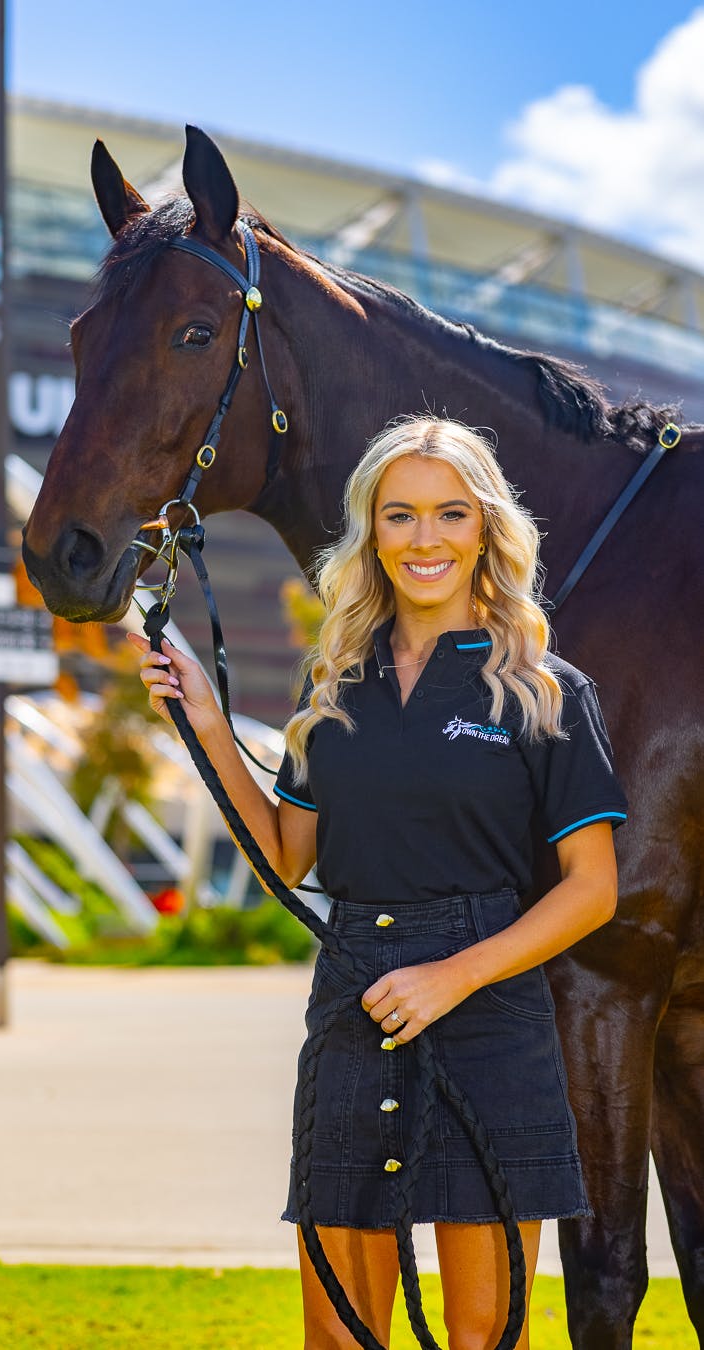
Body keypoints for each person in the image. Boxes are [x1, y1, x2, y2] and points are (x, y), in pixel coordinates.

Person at [129, 415, 627, 1350]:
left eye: (449, 513)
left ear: (486, 527)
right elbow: (284, 854)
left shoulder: (545, 690)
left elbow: (590, 889)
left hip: (488, 1020)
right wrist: (203, 720)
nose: (425, 539)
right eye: (400, 516)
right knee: (340, 1338)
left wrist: (453, 975)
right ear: (371, 531)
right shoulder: (336, 682)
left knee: (483, 1337)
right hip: (354, 1007)